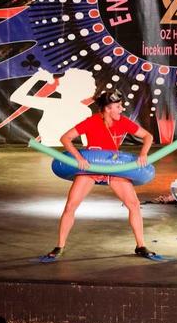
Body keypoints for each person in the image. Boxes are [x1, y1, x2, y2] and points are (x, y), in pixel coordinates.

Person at [41, 88, 155, 261]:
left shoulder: (123, 121)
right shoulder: (92, 121)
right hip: (90, 167)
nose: (122, 109)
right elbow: (65, 138)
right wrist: (79, 157)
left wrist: (143, 154)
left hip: (114, 167)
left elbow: (148, 136)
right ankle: (59, 246)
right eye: (118, 106)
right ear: (108, 108)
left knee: (134, 204)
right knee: (71, 206)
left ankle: (141, 245)